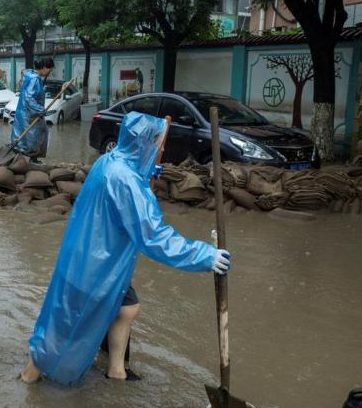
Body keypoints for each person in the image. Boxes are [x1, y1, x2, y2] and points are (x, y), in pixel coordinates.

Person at [20, 112, 231, 385]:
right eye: (157, 142)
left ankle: (116, 369)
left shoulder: (109, 161)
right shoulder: (128, 181)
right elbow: (154, 236)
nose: (161, 148)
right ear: (144, 143)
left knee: (126, 308)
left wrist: (146, 173)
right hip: (97, 266)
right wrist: (205, 255)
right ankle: (29, 376)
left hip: (91, 258)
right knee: (63, 324)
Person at [11, 57, 54, 162]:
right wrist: (39, 109)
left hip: (25, 112)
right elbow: (29, 97)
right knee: (37, 135)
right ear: (43, 68)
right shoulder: (35, 79)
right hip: (31, 113)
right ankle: (30, 158)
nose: (50, 72)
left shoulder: (29, 75)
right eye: (50, 69)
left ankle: (21, 158)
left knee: (24, 136)